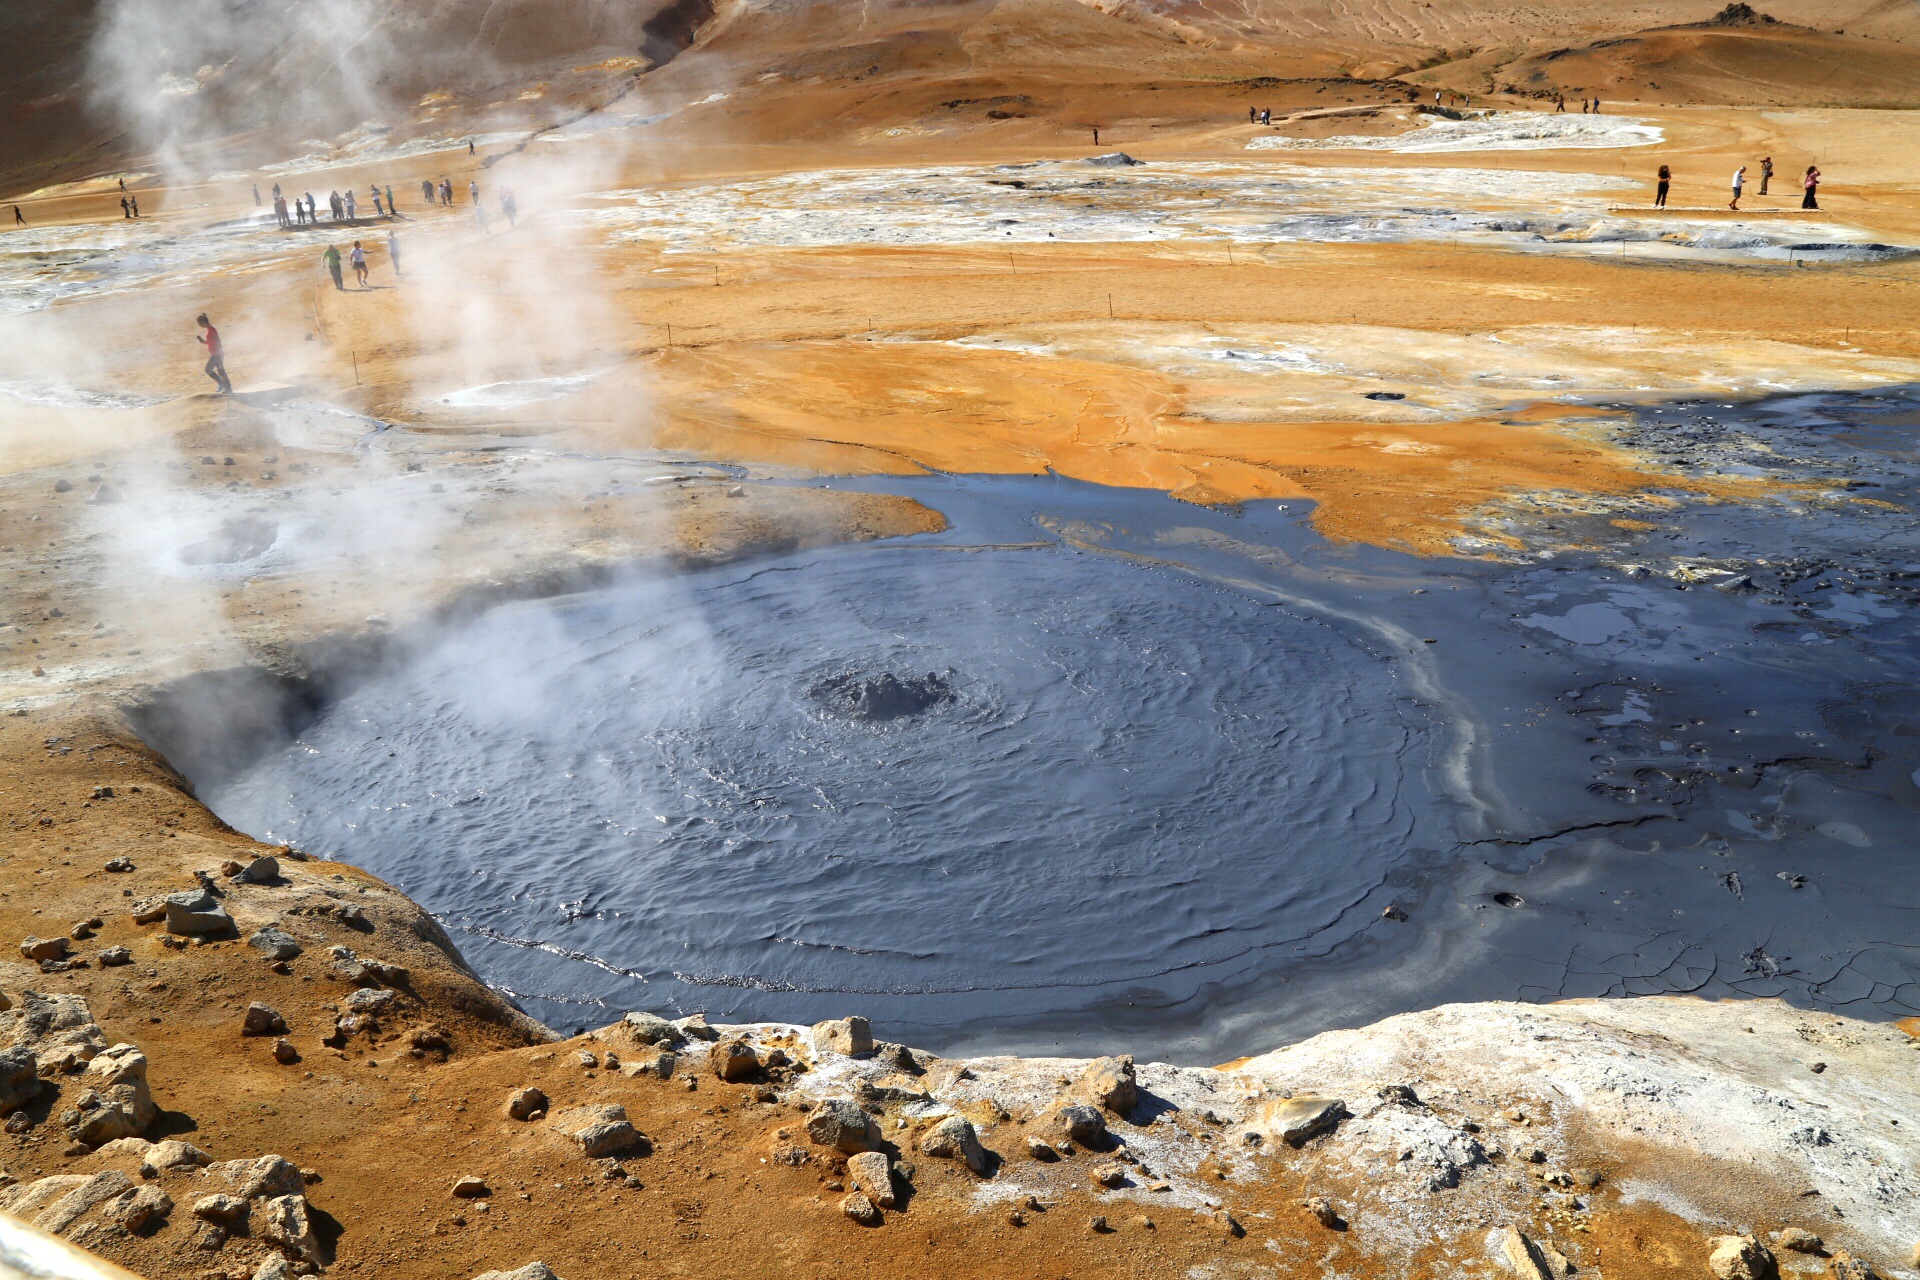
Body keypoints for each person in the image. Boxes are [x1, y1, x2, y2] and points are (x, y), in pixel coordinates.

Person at [195, 314, 232, 394]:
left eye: (199, 323)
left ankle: (223, 384)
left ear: (203, 322)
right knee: (221, 371)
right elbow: (209, 342)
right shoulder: (209, 330)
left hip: (216, 354)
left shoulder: (212, 330)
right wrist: (202, 340)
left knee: (208, 369)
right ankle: (228, 388)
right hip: (216, 353)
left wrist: (219, 353)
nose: (199, 325)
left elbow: (218, 341)